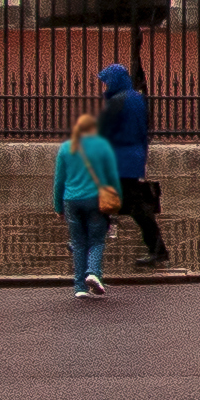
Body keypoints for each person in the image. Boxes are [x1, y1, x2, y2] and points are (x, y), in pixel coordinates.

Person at [95, 63, 169, 269]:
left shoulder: (117, 102)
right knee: (114, 201)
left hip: (119, 159)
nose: (105, 85)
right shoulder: (137, 98)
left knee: (133, 206)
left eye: (107, 81)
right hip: (134, 156)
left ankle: (158, 250)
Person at [55, 106, 123, 298]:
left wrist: (58, 206)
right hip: (95, 200)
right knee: (96, 240)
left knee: (78, 243)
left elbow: (59, 180)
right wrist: (116, 202)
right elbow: (112, 177)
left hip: (71, 200)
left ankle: (80, 288)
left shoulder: (66, 148)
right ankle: (93, 272)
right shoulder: (102, 147)